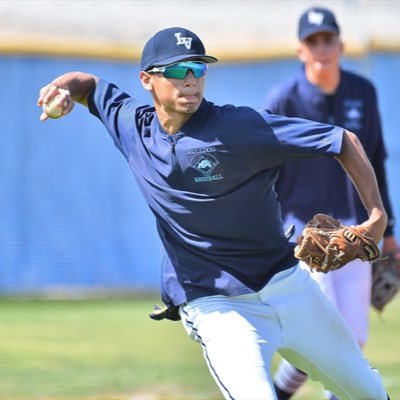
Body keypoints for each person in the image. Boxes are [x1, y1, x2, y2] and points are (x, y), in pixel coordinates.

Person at [37, 27, 391, 400]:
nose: (189, 80)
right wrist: (60, 87)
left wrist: (376, 216)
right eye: (176, 71)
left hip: (289, 286)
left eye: (197, 68)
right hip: (218, 305)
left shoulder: (239, 127)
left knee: (369, 393)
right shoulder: (132, 126)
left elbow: (342, 141)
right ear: (147, 80)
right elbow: (89, 85)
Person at [263, 6, 399, 400]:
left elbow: (375, 160)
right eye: (312, 41)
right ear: (300, 50)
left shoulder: (362, 92)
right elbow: (264, 168)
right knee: (327, 337)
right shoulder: (283, 99)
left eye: (327, 39)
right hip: (305, 237)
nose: (321, 47)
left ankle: (276, 392)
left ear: (340, 45)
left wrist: (386, 230)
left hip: (355, 233)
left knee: (353, 337)